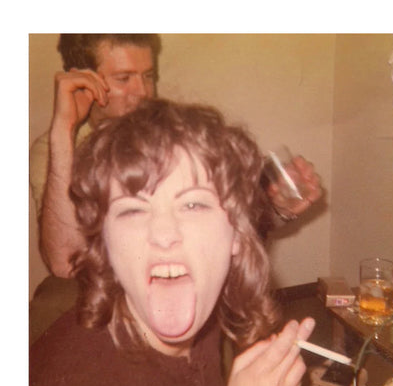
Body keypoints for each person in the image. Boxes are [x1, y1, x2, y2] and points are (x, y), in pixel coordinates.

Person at [29, 99, 316, 386]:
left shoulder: (203, 311)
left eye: (193, 205)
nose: (164, 236)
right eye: (133, 210)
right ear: (105, 241)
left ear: (237, 234)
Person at [29, 34, 323, 279]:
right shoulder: (56, 150)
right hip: (107, 289)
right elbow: (64, 262)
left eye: (148, 76)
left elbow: (221, 223)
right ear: (85, 82)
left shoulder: (172, 134)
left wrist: (277, 208)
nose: (142, 92)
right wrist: (63, 129)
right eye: (123, 78)